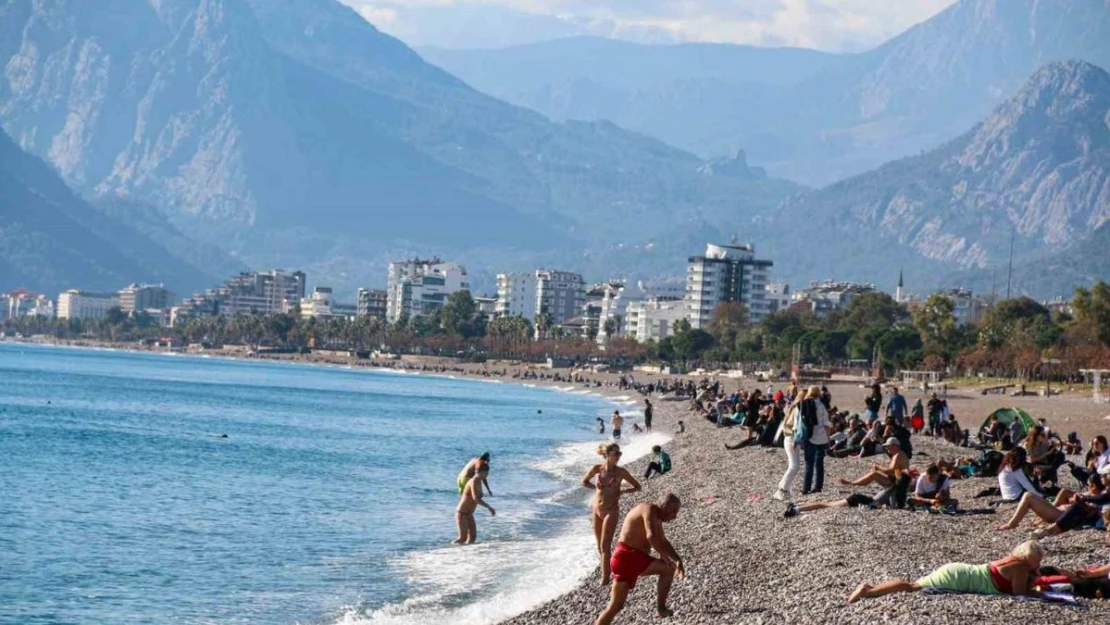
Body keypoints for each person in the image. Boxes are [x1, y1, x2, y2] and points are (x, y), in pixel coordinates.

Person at [847, 540, 1044, 603]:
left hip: (960, 571)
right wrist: (1040, 591)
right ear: (1029, 559)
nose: (1038, 564)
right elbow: (1019, 594)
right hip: (959, 578)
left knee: (914, 585)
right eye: (1037, 561)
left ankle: (872, 588)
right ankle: (869, 592)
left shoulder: (1014, 560)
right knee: (912, 587)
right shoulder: (1020, 568)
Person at [594, 494, 685, 625]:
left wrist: (677, 559)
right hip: (628, 557)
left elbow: (663, 540)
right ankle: (661, 609)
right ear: (664, 507)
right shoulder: (648, 509)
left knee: (615, 606)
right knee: (667, 569)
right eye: (673, 512)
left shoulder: (657, 516)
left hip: (626, 560)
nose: (674, 516)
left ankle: (661, 609)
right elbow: (651, 536)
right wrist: (664, 555)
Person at [583, 443, 642, 586]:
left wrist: (622, 492)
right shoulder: (597, 469)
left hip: (611, 510)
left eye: (619, 453)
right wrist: (596, 489)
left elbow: (637, 487)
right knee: (599, 546)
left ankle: (605, 578)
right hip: (596, 510)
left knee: (605, 545)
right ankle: (608, 570)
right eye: (616, 453)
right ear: (607, 454)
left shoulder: (621, 472)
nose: (618, 456)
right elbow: (584, 482)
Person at [838, 438, 909, 489]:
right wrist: (880, 467)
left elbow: (889, 471)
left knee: (873, 474)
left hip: (898, 484)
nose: (887, 448)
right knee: (874, 472)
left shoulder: (898, 456)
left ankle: (852, 483)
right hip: (898, 480)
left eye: (888, 446)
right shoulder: (898, 454)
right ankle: (853, 482)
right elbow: (893, 470)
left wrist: (878, 467)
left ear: (894, 446)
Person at [801, 385, 832, 495]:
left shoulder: (804, 404)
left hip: (809, 436)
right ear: (819, 393)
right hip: (822, 436)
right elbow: (826, 423)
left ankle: (806, 488)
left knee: (808, 463)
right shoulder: (822, 405)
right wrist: (828, 439)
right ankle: (818, 486)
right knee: (819, 463)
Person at [454, 466, 495, 544]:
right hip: (462, 513)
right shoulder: (473, 481)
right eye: (486, 472)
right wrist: (488, 507)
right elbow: (475, 498)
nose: (487, 474)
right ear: (480, 472)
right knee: (462, 538)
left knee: (472, 538)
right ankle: (450, 551)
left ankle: (466, 554)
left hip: (469, 514)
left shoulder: (479, 481)